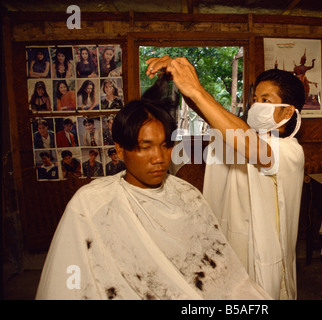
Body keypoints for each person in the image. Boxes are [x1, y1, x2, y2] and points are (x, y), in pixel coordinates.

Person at [35, 98, 270, 300]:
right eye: (145, 147)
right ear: (119, 150)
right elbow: (69, 281)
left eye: (165, 146)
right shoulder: (91, 203)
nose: (158, 158)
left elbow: (218, 271)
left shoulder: (187, 195)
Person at [146, 56, 305, 300]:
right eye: (254, 99)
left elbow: (251, 148)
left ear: (286, 110)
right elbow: (218, 120)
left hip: (262, 256)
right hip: (229, 244)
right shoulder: (243, 137)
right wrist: (182, 82)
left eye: (265, 100)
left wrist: (197, 89)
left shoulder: (289, 151)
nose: (256, 105)